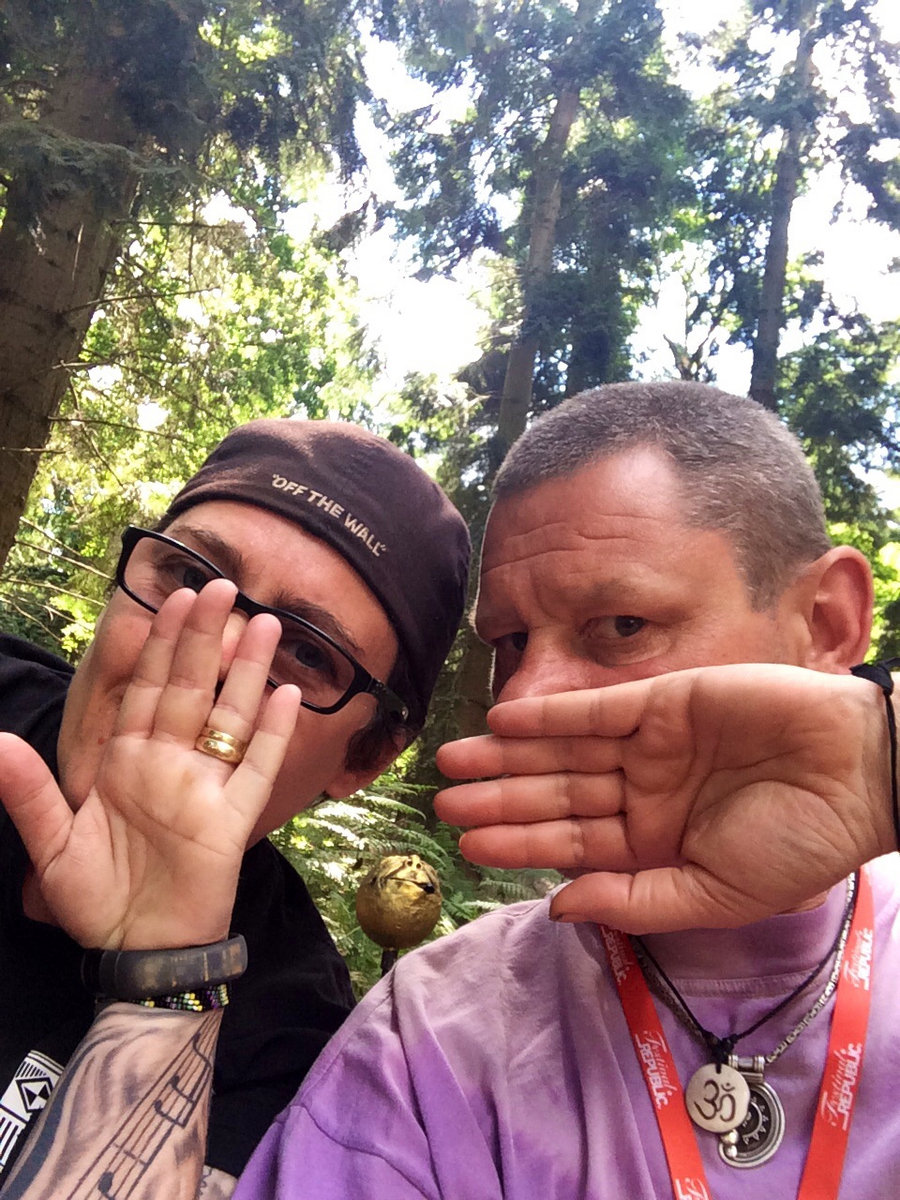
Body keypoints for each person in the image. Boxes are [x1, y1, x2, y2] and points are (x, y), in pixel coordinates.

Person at [3, 382, 899, 1200]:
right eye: (190, 578)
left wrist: (880, 770)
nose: (523, 702)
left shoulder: (290, 1032)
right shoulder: (427, 1042)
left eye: (622, 625)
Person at [0, 417, 470, 1197]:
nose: (216, 652)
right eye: (187, 577)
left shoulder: (291, 1053)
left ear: (364, 758)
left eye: (307, 652)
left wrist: (164, 980)